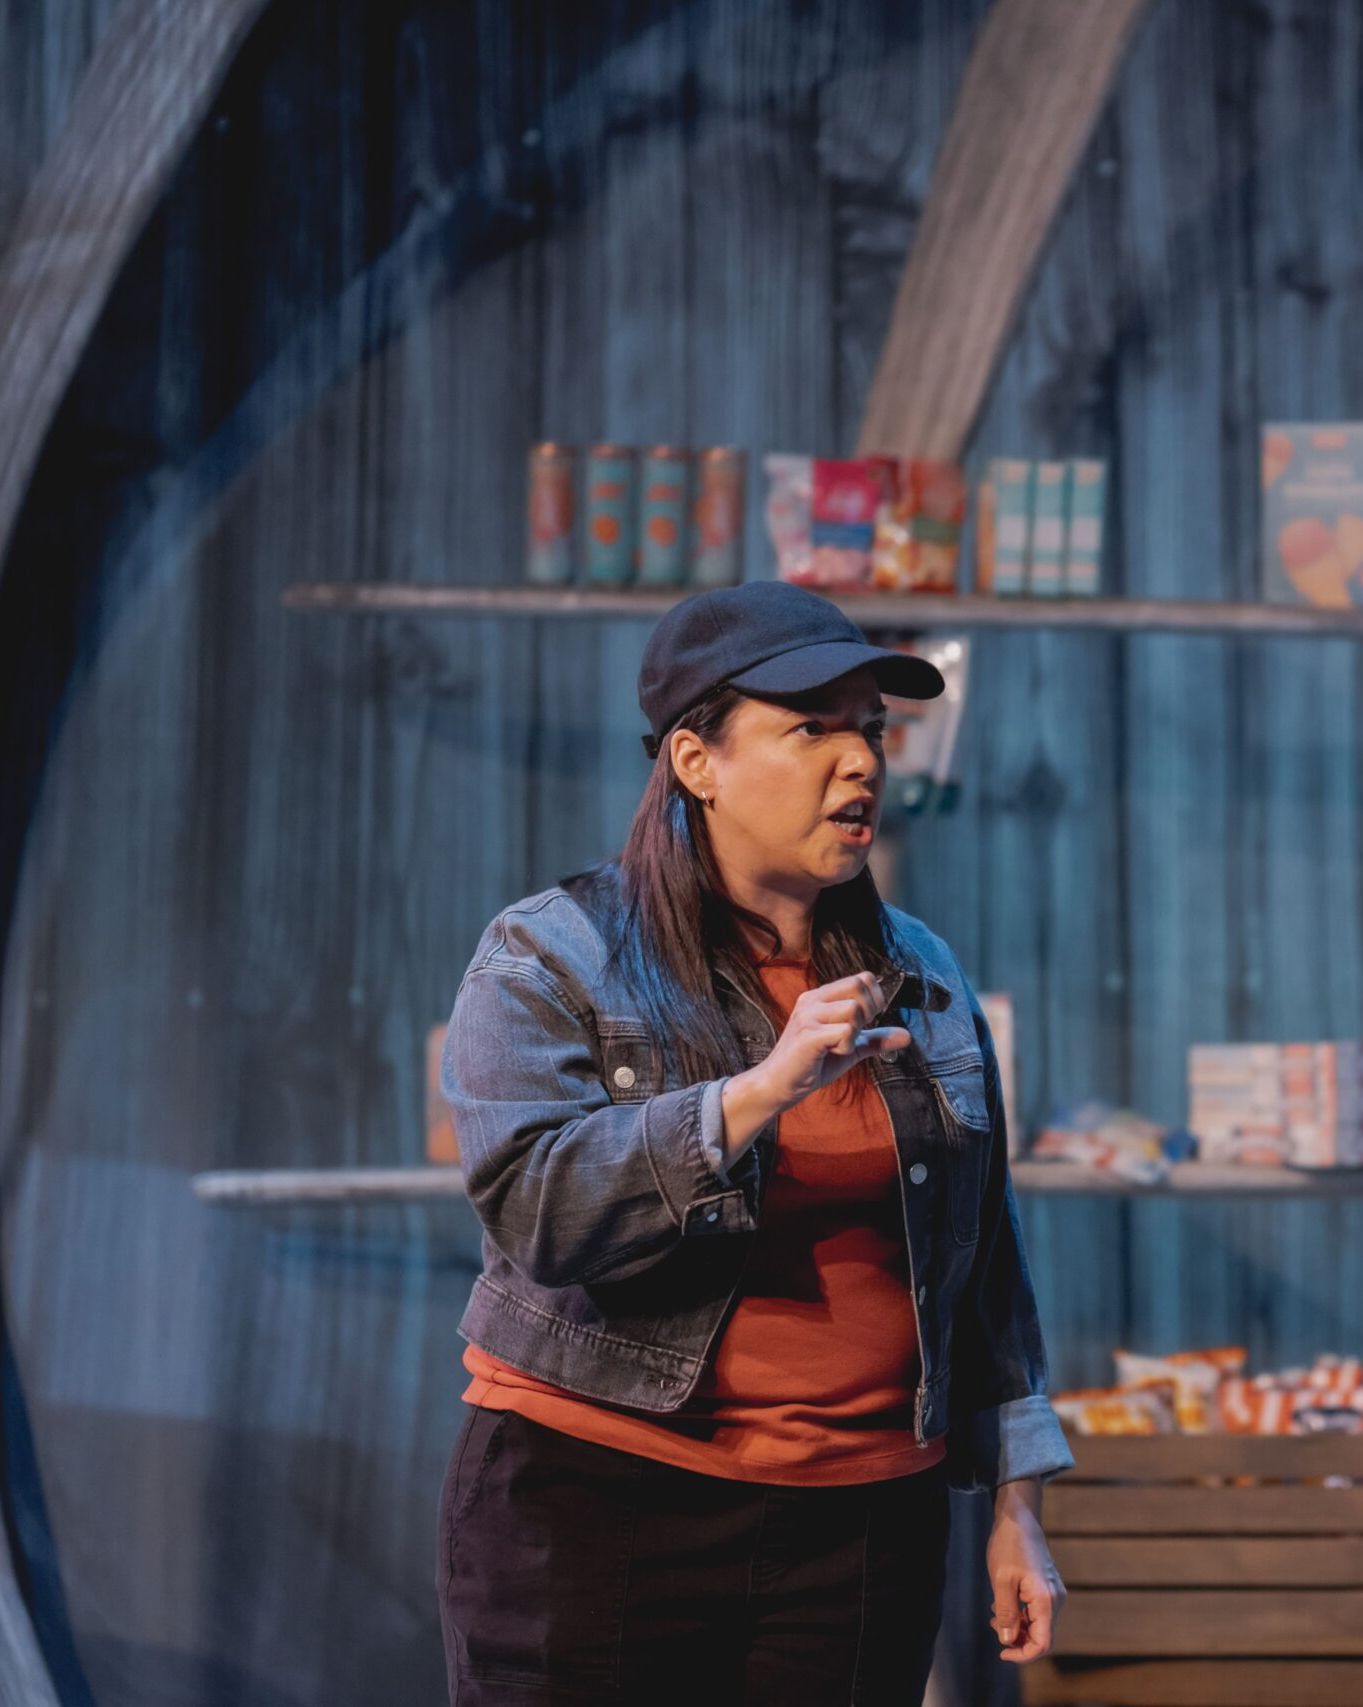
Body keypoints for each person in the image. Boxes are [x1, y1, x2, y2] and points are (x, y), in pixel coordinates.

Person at [435, 581, 1070, 1705]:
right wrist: (756, 1093)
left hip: (863, 1525)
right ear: (697, 761)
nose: (859, 760)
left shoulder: (922, 973)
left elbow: (984, 1258)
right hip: (600, 1499)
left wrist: (1019, 1505)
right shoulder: (553, 953)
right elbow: (538, 1210)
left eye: (871, 730)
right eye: (811, 728)